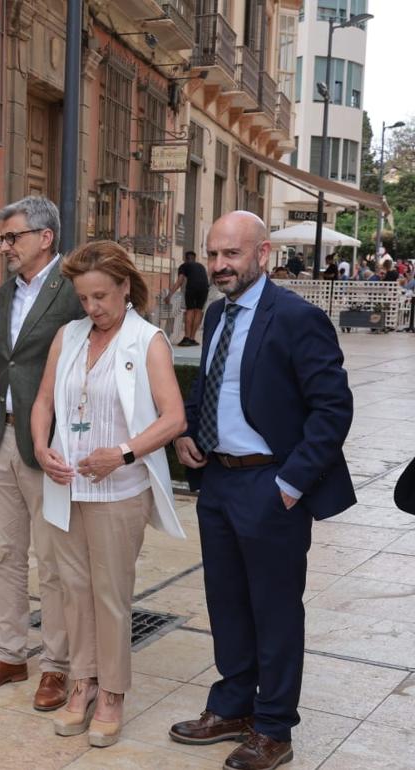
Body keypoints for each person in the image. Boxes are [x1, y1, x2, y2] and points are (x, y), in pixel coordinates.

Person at [170, 211, 354, 770]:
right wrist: (188, 431)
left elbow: (333, 407)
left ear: (263, 254)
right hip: (218, 481)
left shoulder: (297, 318)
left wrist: (292, 483)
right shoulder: (218, 315)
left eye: (231, 254)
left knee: (273, 611)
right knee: (226, 601)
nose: (219, 265)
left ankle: (273, 727)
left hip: (270, 484)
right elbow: (208, 386)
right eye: (213, 254)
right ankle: (233, 705)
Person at [30, 240, 187, 748]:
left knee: (111, 595)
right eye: (83, 298)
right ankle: (82, 683)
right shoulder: (69, 336)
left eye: (100, 296)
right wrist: (41, 448)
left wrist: (120, 454)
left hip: (119, 490)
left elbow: (173, 418)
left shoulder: (147, 341)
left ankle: (113, 692)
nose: (92, 307)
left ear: (124, 287)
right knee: (73, 592)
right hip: (66, 487)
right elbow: (43, 401)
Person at [0, 196, 84, 711]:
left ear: (45, 237)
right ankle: (9, 654)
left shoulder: (74, 288)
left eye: (13, 237)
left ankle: (56, 665)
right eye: (2, 238)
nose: (5, 246)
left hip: (48, 444)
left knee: (52, 561)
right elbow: (4, 365)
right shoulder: (6, 291)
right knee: (4, 554)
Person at [167, 250, 209, 346]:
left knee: (189, 310)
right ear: (194, 258)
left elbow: (180, 281)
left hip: (192, 287)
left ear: (185, 258)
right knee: (198, 311)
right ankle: (192, 338)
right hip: (204, 288)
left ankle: (186, 338)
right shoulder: (201, 266)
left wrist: (169, 295)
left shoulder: (184, 266)